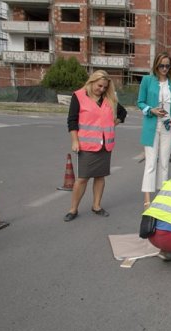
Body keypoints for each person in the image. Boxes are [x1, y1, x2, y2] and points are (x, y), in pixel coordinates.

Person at [64, 70, 127, 222]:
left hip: (105, 145)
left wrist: (114, 123)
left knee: (100, 176)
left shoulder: (109, 98)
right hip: (86, 145)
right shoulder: (78, 96)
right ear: (92, 82)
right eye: (99, 86)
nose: (102, 89)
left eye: (105, 87)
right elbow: (72, 120)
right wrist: (74, 140)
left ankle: (96, 206)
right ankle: (73, 209)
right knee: (82, 179)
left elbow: (123, 113)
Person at [138, 52, 171, 209]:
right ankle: (147, 199)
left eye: (167, 65)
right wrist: (151, 110)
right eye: (161, 65)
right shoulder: (147, 80)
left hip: (168, 127)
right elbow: (140, 102)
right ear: (156, 65)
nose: (164, 68)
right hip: (151, 126)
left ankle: (162, 196)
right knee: (150, 163)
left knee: (164, 163)